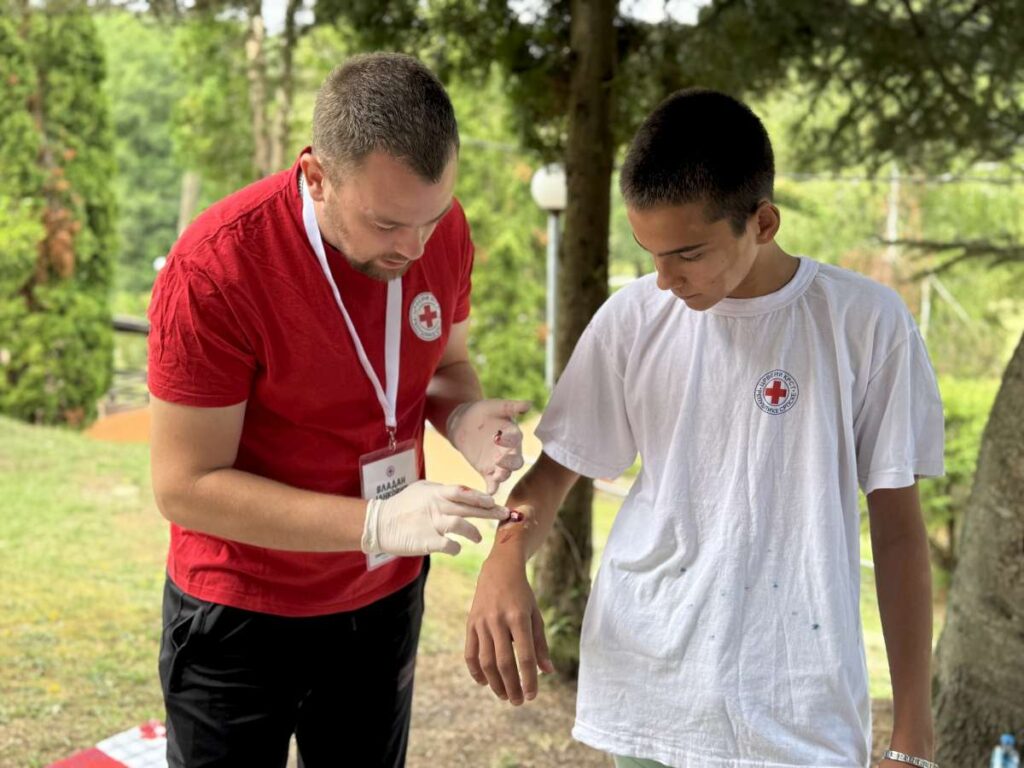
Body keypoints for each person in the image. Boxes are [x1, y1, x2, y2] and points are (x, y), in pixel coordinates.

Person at [465, 88, 944, 768]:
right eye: (650, 253)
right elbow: (553, 475)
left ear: (763, 222)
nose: (665, 280)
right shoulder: (631, 318)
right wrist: (504, 558)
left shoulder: (865, 323)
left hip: (799, 710)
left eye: (688, 254)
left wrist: (913, 738)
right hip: (648, 695)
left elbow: (898, 534)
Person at [147, 52, 529, 768]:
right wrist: (375, 521)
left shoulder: (437, 228)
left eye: (432, 217)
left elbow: (445, 366)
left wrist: (464, 417)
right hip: (242, 610)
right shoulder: (217, 269)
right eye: (386, 224)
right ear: (317, 177)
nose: (413, 247)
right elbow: (184, 486)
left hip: (382, 599)